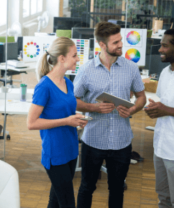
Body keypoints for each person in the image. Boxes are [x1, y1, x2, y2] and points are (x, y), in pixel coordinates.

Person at [74, 22, 146, 208]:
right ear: (102, 45)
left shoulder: (131, 68)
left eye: (120, 40)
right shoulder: (86, 69)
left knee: (117, 189)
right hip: (93, 141)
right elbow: (73, 100)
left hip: (122, 141)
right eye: (115, 42)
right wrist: (94, 108)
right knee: (87, 187)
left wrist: (132, 110)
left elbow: (141, 97)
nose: (121, 45)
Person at [27, 37, 88, 208]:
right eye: (74, 55)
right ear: (62, 58)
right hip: (55, 153)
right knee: (68, 203)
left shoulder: (67, 82)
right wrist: (67, 121)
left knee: (55, 202)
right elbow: (31, 123)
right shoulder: (44, 86)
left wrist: (76, 119)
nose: (77, 59)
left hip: (70, 149)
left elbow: (63, 111)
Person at [144, 29, 174, 208]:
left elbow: (167, 108)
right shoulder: (164, 73)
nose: (160, 50)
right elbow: (163, 103)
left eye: (164, 45)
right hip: (160, 147)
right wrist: (154, 109)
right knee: (163, 199)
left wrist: (167, 110)